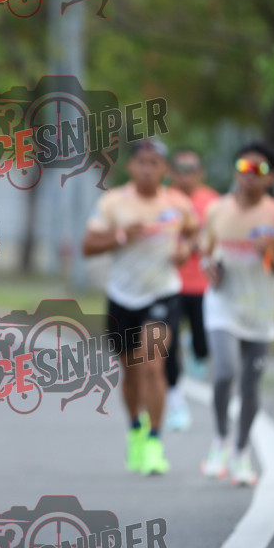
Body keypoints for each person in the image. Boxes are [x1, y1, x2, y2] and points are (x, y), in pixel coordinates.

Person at [82, 139, 197, 475]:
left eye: (154, 163)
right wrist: (121, 236)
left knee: (152, 366)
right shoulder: (113, 202)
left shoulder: (177, 203)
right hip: (122, 298)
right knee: (131, 373)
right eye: (142, 162)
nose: (148, 169)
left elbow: (193, 232)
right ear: (131, 166)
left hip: (162, 295)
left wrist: (185, 249)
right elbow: (88, 246)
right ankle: (135, 428)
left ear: (165, 169)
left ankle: (154, 441)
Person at [200, 142, 274, 486]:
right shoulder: (217, 209)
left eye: (259, 170)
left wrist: (268, 254)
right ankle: (220, 441)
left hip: (260, 311)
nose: (249, 175)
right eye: (244, 167)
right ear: (235, 171)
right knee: (224, 372)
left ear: (270, 178)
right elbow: (206, 253)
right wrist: (209, 267)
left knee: (250, 384)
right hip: (222, 305)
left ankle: (242, 452)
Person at [164, 150, 219, 430]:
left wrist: (201, 243)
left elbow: (219, 235)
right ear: (172, 172)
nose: (186, 175)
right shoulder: (164, 200)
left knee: (202, 345)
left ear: (200, 172)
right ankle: (176, 400)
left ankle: (194, 346)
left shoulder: (212, 201)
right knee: (166, 344)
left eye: (191, 169)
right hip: (170, 284)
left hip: (203, 285)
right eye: (180, 169)